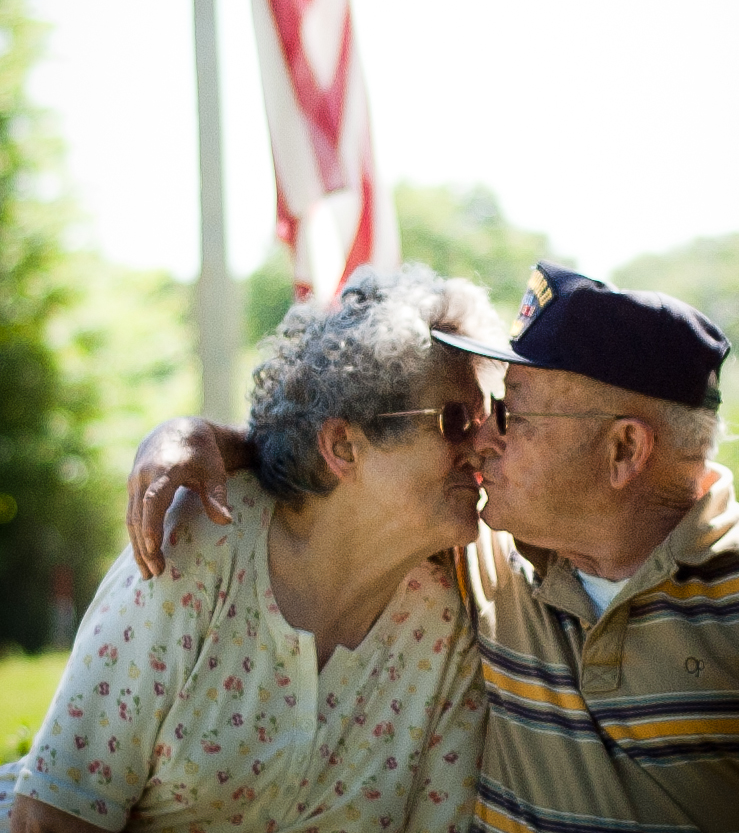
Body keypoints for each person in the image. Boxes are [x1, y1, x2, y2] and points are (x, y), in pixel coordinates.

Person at [119, 261, 739, 833]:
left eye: (514, 415)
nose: (484, 440)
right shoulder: (484, 555)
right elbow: (350, 462)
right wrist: (204, 438)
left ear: (624, 450)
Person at [2, 264, 507, 833]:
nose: (485, 445)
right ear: (343, 445)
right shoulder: (200, 542)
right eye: (454, 420)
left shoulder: (446, 624)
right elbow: (50, 817)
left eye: (488, 418)